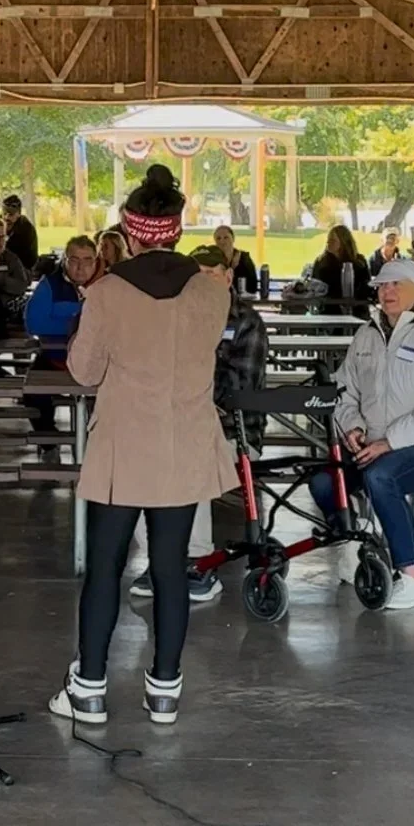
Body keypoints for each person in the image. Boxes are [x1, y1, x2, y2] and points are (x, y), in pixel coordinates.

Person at [49, 165, 232, 727]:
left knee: (105, 568)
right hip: (184, 444)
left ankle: (90, 689)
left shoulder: (107, 292)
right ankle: (165, 691)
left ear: (130, 233)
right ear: (176, 230)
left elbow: (83, 371)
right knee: (172, 569)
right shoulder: (211, 290)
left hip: (124, 447)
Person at [309, 258, 414, 612]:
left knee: (381, 477)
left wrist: (390, 442)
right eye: (382, 285)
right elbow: (344, 391)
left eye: (396, 285)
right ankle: (359, 544)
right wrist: (354, 428)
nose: (387, 291)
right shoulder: (366, 335)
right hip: (372, 445)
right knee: (322, 483)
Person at [128, 243, 265, 604]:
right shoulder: (175, 317)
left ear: (229, 277)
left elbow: (242, 386)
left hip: (235, 428)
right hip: (178, 420)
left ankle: (198, 561)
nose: (203, 284)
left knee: (192, 460)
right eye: (197, 277)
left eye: (211, 276)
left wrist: (192, 378)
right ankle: (160, 559)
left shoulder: (247, 322)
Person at [27, 235, 99, 369]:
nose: (80, 267)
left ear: (96, 262)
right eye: (74, 260)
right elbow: (34, 325)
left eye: (87, 261)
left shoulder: (107, 287)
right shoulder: (49, 285)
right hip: (54, 360)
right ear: (64, 260)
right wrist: (79, 324)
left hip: (97, 364)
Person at [310, 224, 371, 308]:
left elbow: (366, 286)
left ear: (343, 242)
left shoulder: (359, 262)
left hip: (356, 309)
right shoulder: (321, 262)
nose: (328, 243)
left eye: (332, 240)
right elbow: (314, 286)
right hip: (328, 310)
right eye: (328, 240)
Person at [212, 225, 259, 295]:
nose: (222, 241)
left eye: (226, 237)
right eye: (218, 238)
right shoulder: (211, 260)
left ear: (233, 239)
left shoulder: (244, 259)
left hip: (242, 301)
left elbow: (253, 287)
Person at [1, 194, 39, 268]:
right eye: (4, 214)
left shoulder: (26, 230)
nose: (6, 217)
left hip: (23, 267)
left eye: (10, 215)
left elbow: (29, 260)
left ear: (18, 214)